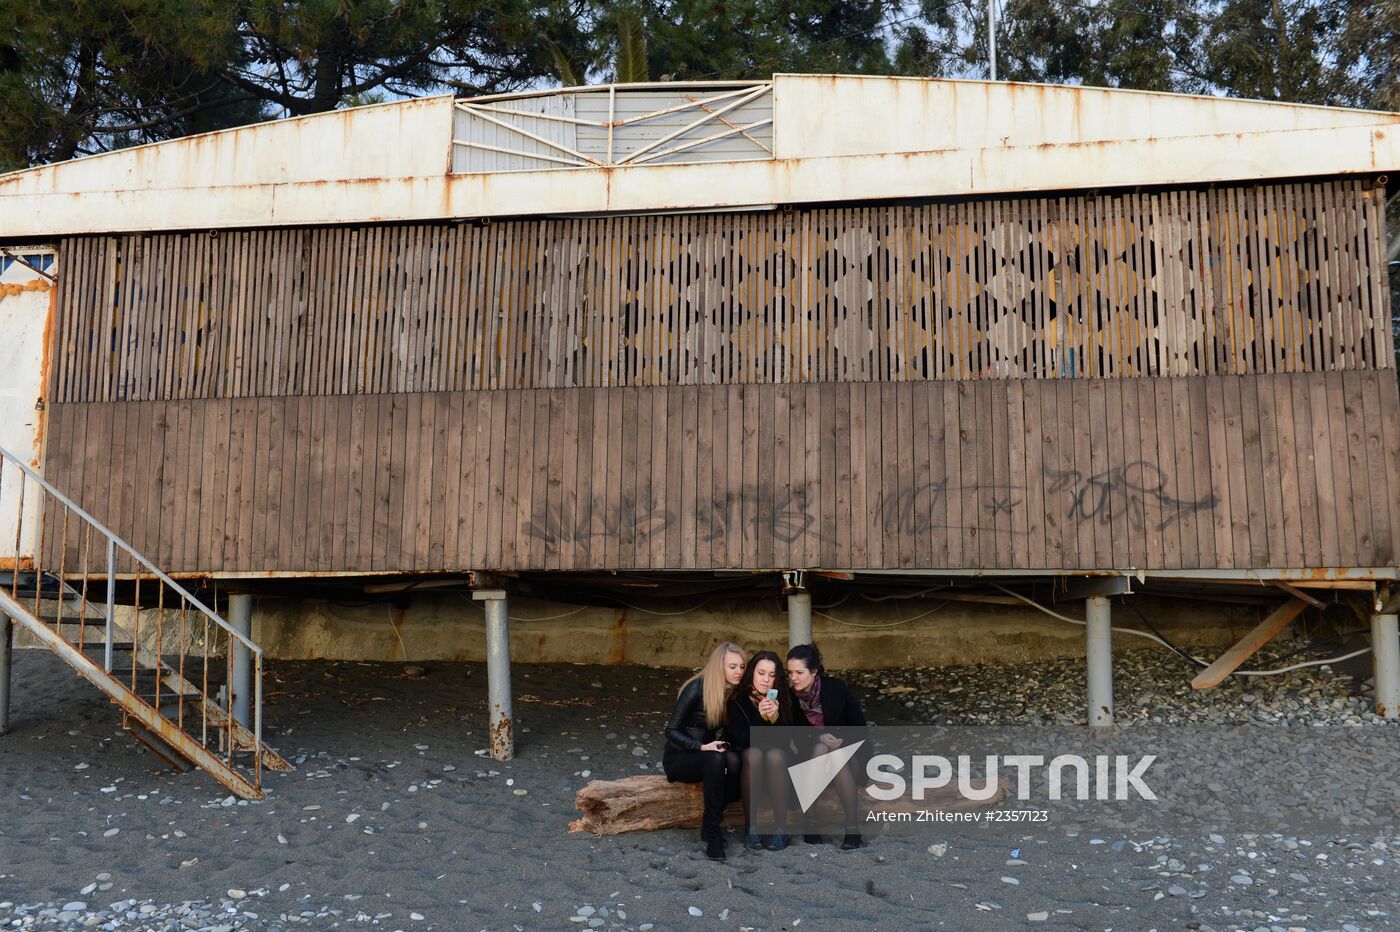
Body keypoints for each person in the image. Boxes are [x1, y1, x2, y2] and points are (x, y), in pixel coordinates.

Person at [663, 641, 746, 860]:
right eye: (732, 667)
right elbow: (671, 730)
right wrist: (700, 746)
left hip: (708, 754)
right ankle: (711, 830)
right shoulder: (697, 687)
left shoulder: (732, 692)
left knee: (737, 760)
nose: (738, 672)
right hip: (680, 756)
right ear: (719, 667)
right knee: (717, 761)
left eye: (742, 667)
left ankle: (716, 809)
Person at [786, 642, 868, 850]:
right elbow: (795, 738)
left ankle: (852, 828)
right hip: (812, 761)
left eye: (799, 672)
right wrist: (818, 738)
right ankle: (811, 822)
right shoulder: (789, 697)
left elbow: (860, 728)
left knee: (835, 753)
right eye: (790, 672)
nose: (793, 677)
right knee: (821, 748)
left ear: (813, 672)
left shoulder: (836, 688)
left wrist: (842, 743)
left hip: (847, 759)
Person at [725, 650, 794, 851]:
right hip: (749, 768)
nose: (765, 680)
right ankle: (751, 827)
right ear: (752, 673)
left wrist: (775, 718)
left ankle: (781, 829)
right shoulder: (737, 700)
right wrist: (760, 717)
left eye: (772, 675)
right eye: (761, 673)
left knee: (775, 755)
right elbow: (741, 740)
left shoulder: (784, 698)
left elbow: (786, 740)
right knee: (752, 754)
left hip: (778, 767)